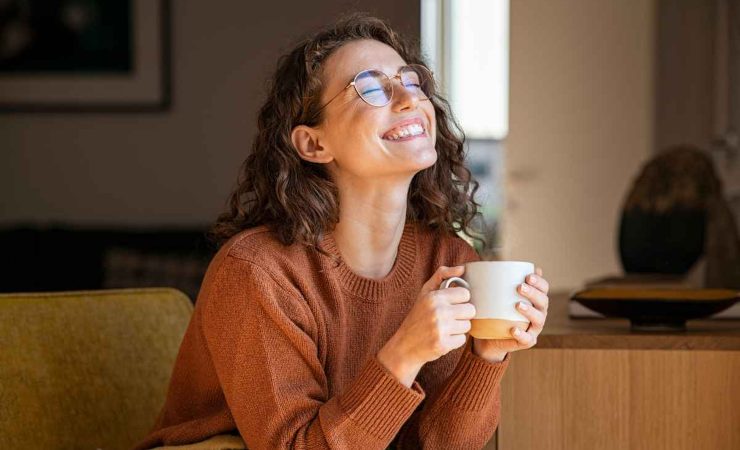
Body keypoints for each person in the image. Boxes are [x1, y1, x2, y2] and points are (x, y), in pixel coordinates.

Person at [135, 12, 550, 450]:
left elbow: (435, 445)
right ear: (314, 144)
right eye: (370, 88)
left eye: (410, 81)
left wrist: (488, 354)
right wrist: (404, 353)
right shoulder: (258, 274)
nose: (409, 100)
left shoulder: (449, 262)